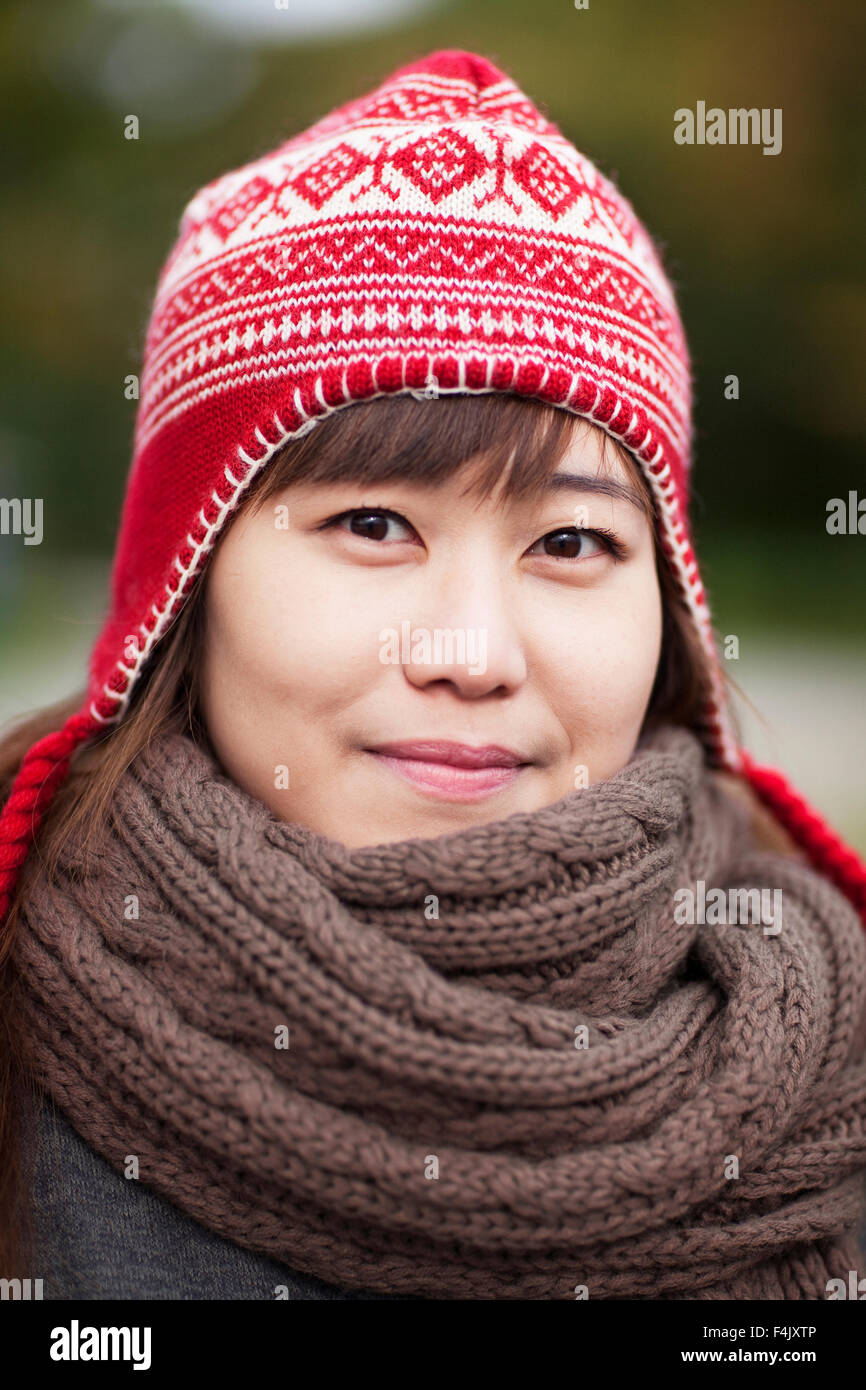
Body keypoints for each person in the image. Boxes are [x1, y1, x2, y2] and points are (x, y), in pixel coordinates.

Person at [0, 48, 864, 1302]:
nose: (470, 655)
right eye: (370, 525)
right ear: (185, 582)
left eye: (570, 542)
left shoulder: (821, 1053)